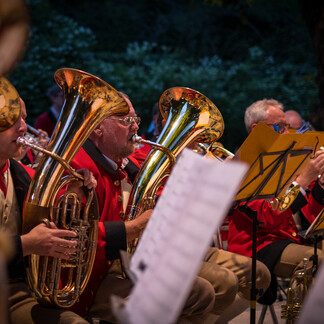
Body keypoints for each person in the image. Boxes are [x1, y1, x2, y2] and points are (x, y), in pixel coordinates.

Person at [70, 92, 271, 323]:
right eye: (127, 120)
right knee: (211, 288)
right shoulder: (134, 160)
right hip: (121, 260)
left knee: (254, 275)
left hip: (154, 249)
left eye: (136, 120)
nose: (135, 126)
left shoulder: (124, 164)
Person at [1, 92, 97, 324]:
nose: (23, 128)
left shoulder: (22, 173)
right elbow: (32, 239)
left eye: (24, 118)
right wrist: (27, 244)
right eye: (13, 119)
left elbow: (52, 221)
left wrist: (75, 191)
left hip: (17, 291)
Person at [227, 98, 324, 305]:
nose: (287, 134)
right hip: (259, 245)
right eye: (280, 127)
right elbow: (268, 217)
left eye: (287, 127)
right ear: (257, 129)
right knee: (319, 261)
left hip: (288, 238)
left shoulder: (286, 159)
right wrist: (303, 180)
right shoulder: (243, 164)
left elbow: (309, 215)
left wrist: (321, 185)